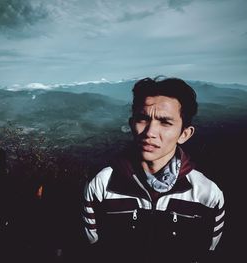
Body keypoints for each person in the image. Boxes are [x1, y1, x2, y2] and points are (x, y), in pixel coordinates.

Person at [82, 77, 225, 262]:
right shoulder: (101, 185)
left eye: (165, 122)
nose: (150, 132)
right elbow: (94, 248)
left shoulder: (207, 194)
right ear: (132, 123)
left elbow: (206, 252)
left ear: (184, 134)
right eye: (143, 118)